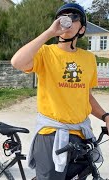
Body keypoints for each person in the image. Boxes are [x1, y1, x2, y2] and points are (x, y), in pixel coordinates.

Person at [11, 3, 109, 180]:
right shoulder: (45, 53)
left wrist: (105, 116)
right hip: (51, 134)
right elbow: (17, 62)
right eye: (63, 16)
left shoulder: (89, 58)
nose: (68, 19)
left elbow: (85, 96)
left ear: (82, 29)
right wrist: (50, 33)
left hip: (81, 135)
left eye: (74, 17)